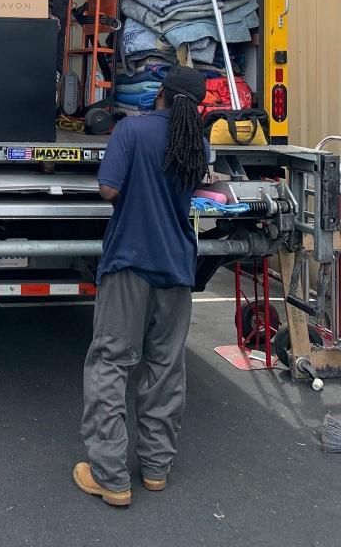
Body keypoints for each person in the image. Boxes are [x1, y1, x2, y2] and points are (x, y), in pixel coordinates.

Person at [73, 66, 210, 508]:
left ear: (161, 95)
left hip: (130, 260)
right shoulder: (197, 144)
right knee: (165, 367)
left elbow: (108, 190)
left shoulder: (132, 131)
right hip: (176, 267)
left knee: (111, 361)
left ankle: (110, 475)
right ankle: (154, 469)